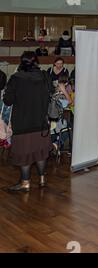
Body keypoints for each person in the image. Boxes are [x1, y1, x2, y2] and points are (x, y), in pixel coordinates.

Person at [3, 51, 53, 192]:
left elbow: (7, 100)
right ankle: (42, 179)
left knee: (24, 153)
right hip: (41, 122)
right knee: (41, 152)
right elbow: (51, 93)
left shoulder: (16, 78)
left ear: (22, 62)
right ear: (36, 61)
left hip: (22, 124)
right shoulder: (45, 76)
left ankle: (25, 182)